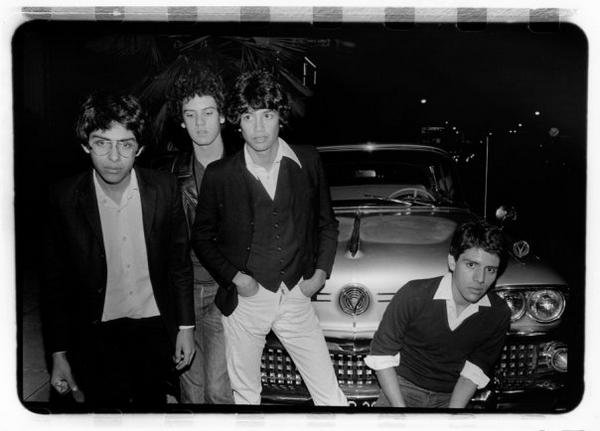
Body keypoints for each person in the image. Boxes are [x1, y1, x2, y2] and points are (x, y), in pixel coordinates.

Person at [191, 70, 347, 406]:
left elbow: (327, 224)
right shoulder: (220, 174)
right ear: (237, 121)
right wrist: (237, 278)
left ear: (280, 118)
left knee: (330, 395)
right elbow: (201, 238)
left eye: (267, 115)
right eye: (248, 116)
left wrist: (319, 275)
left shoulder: (308, 160)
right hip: (247, 301)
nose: (258, 128)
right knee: (246, 398)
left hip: (296, 295)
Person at [43, 93, 195, 409]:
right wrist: (58, 352)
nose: (114, 157)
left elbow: (178, 264)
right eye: (102, 143)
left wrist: (185, 327)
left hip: (154, 327)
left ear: (139, 148)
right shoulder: (63, 197)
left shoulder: (164, 188)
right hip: (94, 332)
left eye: (125, 145)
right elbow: (54, 284)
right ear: (85, 145)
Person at [365, 220, 511, 408]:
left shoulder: (498, 313)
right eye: (471, 265)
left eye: (490, 270)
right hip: (402, 387)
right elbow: (382, 355)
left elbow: (473, 372)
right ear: (452, 261)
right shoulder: (414, 295)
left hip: (452, 394)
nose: (480, 279)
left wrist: (452, 417)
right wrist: (402, 413)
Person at [153, 63, 233, 404]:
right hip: (182, 294)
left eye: (208, 112)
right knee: (192, 392)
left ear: (223, 115)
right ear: (182, 121)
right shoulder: (169, 173)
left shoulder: (244, 167)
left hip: (224, 292)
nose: (200, 123)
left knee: (218, 390)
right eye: (191, 114)